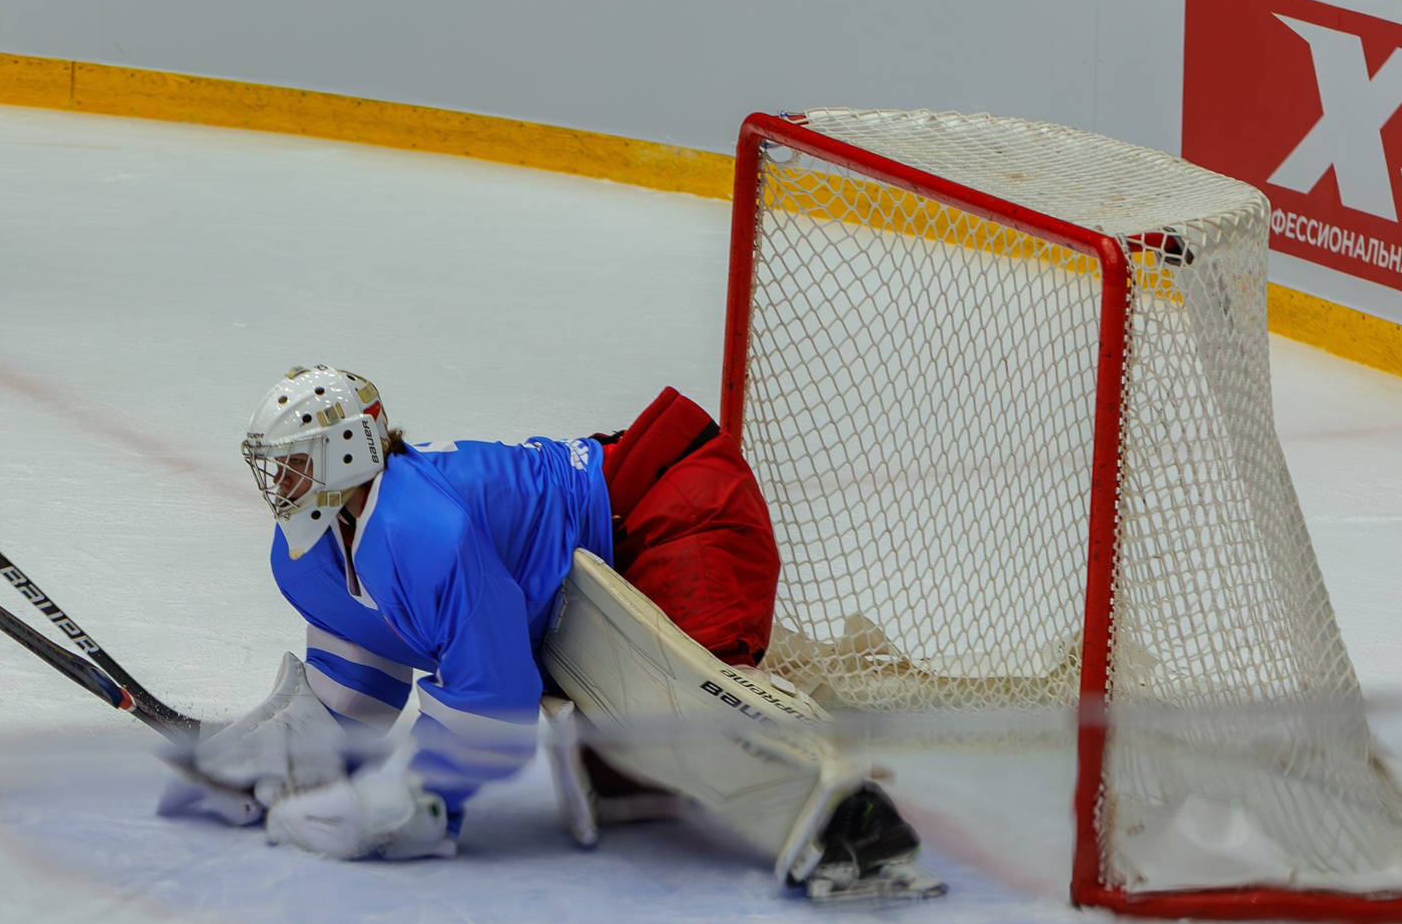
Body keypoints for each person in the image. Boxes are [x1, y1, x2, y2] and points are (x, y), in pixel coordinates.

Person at [167, 366, 933, 895]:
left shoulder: (424, 529)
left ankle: (855, 824)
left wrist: (415, 804)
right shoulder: (315, 548)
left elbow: (496, 696)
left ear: (343, 455)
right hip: (602, 549)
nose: (279, 484)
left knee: (687, 717)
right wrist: (286, 755)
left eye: (295, 464)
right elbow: (364, 668)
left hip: (679, 515)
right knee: (630, 776)